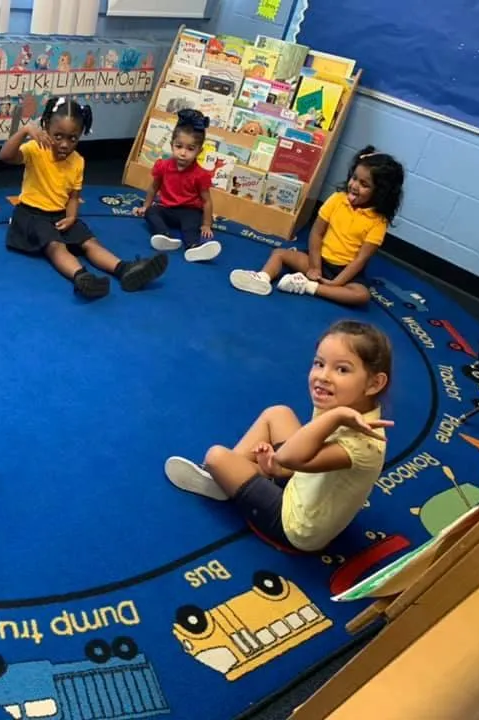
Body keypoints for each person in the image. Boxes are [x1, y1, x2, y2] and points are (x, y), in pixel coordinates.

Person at [163, 320, 393, 553]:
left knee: (217, 457)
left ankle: (225, 479)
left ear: (374, 383)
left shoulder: (362, 442)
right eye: (319, 363)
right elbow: (293, 459)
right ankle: (238, 477)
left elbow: (289, 458)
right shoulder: (345, 400)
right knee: (278, 413)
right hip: (302, 478)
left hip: (296, 526)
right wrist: (276, 469)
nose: (323, 376)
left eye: (342, 369)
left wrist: (333, 419)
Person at [0, 96, 168, 299]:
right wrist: (25, 130)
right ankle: (81, 277)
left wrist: (71, 217)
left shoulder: (78, 161)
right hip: (32, 215)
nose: (64, 144)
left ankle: (124, 269)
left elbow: (73, 196)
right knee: (56, 246)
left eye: (73, 138)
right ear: (45, 128)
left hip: (61, 215)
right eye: (58, 136)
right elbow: (6, 156)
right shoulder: (36, 149)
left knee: (90, 242)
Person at [229, 146, 405, 305]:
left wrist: (337, 282)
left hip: (345, 271)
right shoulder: (336, 200)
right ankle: (262, 277)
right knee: (280, 254)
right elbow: (316, 233)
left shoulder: (378, 221)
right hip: (319, 260)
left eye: (364, 184)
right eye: (354, 178)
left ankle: (308, 287)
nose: (355, 186)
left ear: (380, 192)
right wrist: (315, 266)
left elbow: (361, 259)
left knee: (361, 296)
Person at [134, 109, 221, 263]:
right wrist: (145, 206)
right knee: (151, 212)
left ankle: (193, 247)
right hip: (167, 208)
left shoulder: (200, 174)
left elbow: (207, 201)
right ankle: (165, 237)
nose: (183, 153)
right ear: (172, 144)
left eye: (190, 149)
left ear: (199, 151)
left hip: (190, 210)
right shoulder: (163, 166)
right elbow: (154, 187)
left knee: (191, 224)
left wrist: (207, 224)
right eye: (179, 146)